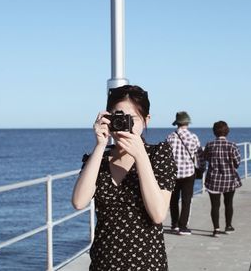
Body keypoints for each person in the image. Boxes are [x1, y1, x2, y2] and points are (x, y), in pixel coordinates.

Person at [71, 85, 176, 271]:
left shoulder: (159, 154)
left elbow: (158, 214)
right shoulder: (99, 159)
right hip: (103, 263)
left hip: (146, 264)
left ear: (146, 120)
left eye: (131, 119)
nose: (124, 125)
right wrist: (100, 145)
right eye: (117, 118)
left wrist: (140, 155)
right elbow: (79, 202)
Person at [166, 111, 204, 235]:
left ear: (177, 123)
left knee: (173, 199)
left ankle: (174, 224)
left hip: (173, 173)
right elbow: (200, 156)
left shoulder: (170, 137)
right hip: (188, 173)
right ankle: (183, 227)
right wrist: (201, 168)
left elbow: (165, 156)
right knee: (186, 200)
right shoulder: (193, 137)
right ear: (187, 123)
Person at [204, 120, 241, 237]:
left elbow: (206, 158)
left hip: (213, 180)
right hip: (229, 180)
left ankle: (216, 229)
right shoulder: (232, 146)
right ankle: (228, 226)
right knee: (228, 203)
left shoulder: (210, 145)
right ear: (227, 131)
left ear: (214, 132)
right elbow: (237, 162)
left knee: (215, 205)